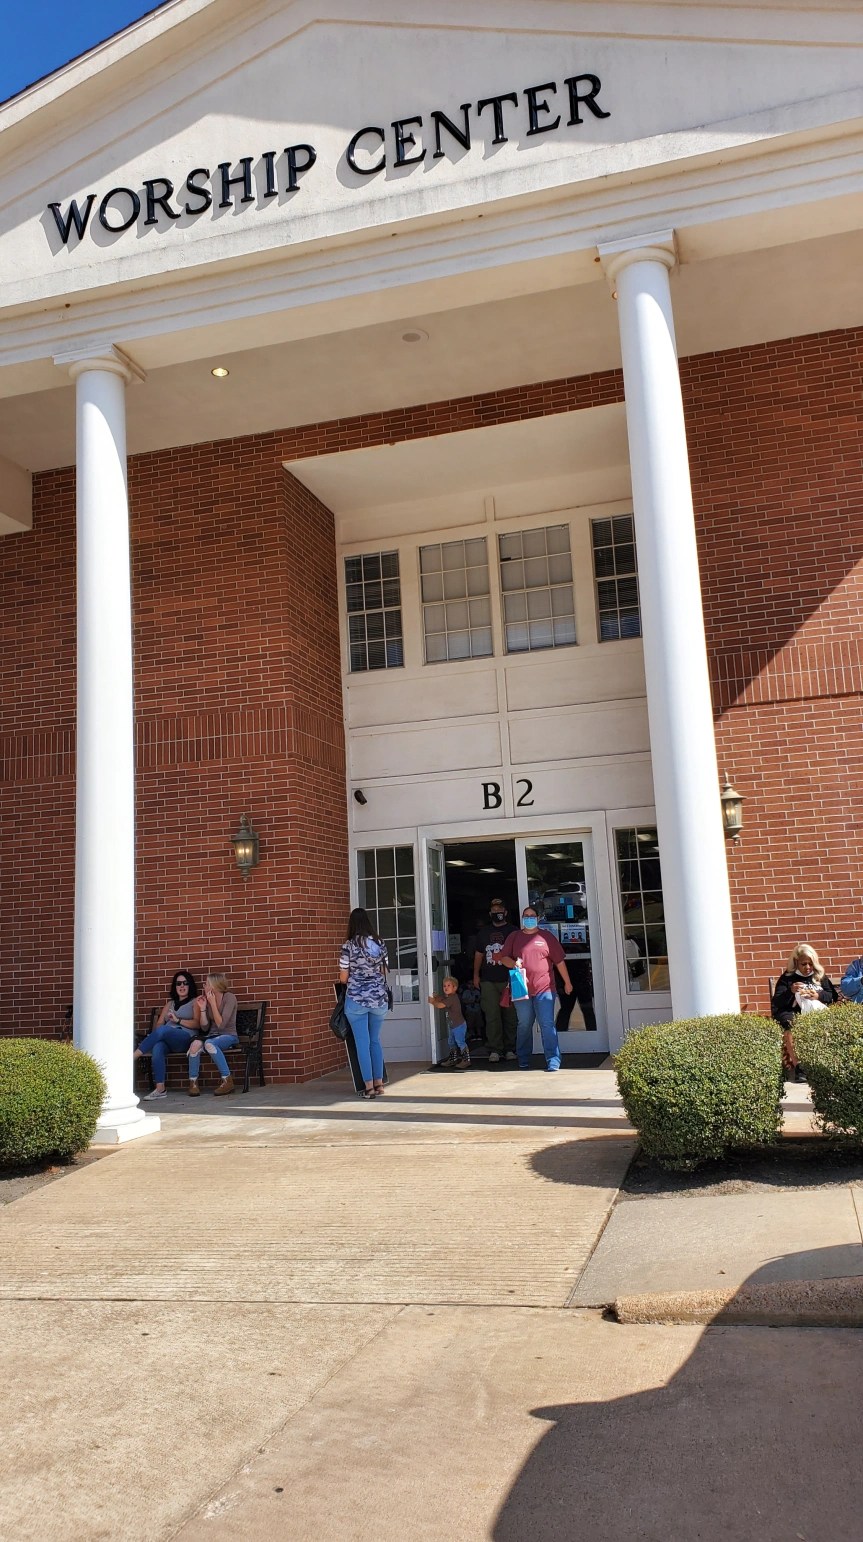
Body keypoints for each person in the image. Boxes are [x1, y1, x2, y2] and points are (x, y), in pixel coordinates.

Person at [499, 908, 573, 1072]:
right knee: (524, 1024)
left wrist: (567, 982)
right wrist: (513, 963)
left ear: (538, 918)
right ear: (522, 918)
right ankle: (523, 1058)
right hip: (521, 988)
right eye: (527, 916)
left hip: (545, 988)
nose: (530, 918)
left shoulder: (546, 937)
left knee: (547, 1024)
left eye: (533, 916)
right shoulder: (514, 937)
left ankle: (553, 1060)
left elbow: (559, 961)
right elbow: (503, 957)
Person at [339, 907, 390, 1099]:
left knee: (362, 1043)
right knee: (375, 1041)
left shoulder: (349, 946)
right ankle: (379, 1084)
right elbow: (385, 971)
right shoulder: (379, 943)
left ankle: (368, 1087)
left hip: (357, 999)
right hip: (378, 999)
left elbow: (343, 978)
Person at [771, 943, 838, 1082]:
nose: (807, 967)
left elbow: (833, 996)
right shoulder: (787, 978)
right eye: (804, 964)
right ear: (796, 963)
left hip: (815, 1012)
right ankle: (799, 1067)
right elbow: (777, 1002)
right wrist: (791, 991)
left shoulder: (819, 976)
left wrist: (818, 996)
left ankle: (824, 1064)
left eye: (810, 963)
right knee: (791, 1024)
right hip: (791, 1011)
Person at [134, 969, 203, 1099]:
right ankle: (160, 1089)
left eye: (185, 983)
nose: (182, 986)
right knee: (157, 1047)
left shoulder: (195, 1002)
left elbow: (197, 1024)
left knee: (163, 1031)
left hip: (184, 1038)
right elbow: (159, 1025)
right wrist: (166, 1027)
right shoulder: (170, 1004)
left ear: (190, 985)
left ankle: (134, 1056)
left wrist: (178, 1021)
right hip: (168, 1039)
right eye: (178, 983)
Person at [473, 897, 518, 1063]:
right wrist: (476, 975)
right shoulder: (483, 933)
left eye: (500, 910)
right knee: (492, 1016)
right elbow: (479, 955)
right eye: (494, 911)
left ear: (505, 912)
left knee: (510, 1016)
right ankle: (495, 1049)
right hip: (488, 980)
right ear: (490, 913)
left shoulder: (514, 932)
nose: (497, 913)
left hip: (509, 980)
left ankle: (510, 1049)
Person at [186, 973, 239, 1096]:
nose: (204, 986)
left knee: (210, 1044)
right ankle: (193, 1083)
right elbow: (204, 1027)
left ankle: (227, 1081)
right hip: (212, 1035)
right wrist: (203, 1008)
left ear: (214, 986)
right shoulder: (209, 1000)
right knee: (195, 1045)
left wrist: (213, 1003)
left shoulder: (229, 998)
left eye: (207, 984)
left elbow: (221, 1025)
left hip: (229, 1035)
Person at [429, 975, 470, 1070]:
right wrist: (436, 997)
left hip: (459, 1025)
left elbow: (440, 1005)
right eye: (444, 986)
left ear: (454, 988)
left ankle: (466, 1060)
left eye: (448, 985)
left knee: (460, 1041)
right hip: (452, 1025)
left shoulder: (452, 998)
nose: (446, 988)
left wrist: (432, 1002)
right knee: (451, 1041)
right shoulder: (448, 997)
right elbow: (441, 999)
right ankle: (453, 1058)